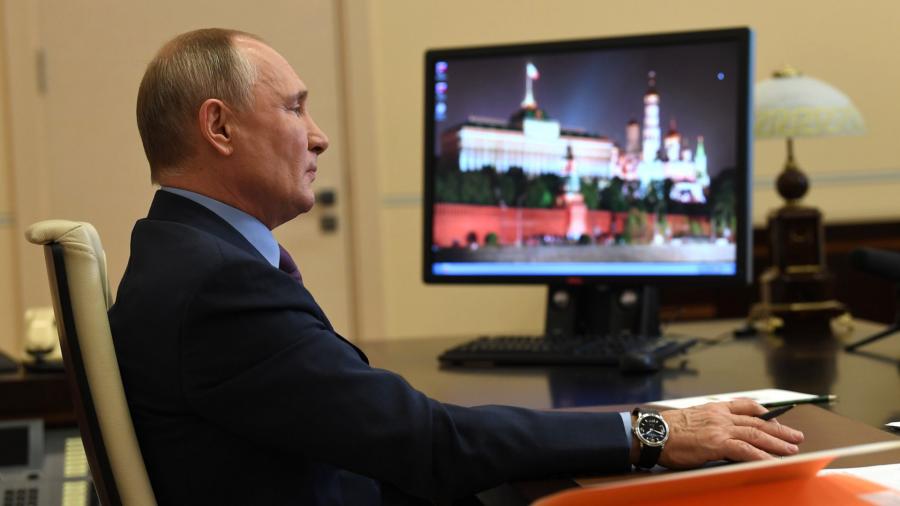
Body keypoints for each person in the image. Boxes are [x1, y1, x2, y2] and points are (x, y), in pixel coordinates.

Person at [110, 28, 804, 505]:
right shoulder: (218, 286)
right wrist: (654, 431)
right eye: (296, 109)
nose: (319, 137)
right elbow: (430, 445)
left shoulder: (178, 255)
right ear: (219, 127)